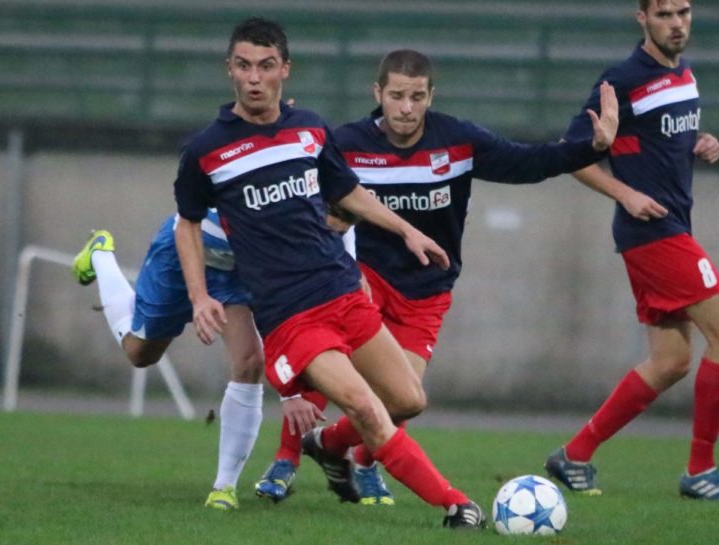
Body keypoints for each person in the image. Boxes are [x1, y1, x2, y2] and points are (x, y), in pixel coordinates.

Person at [255, 47, 620, 506]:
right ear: (378, 94)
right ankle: (285, 462)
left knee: (405, 400)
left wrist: (593, 147)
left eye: (416, 96)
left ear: (431, 96)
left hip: (427, 288)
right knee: (322, 365)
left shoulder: (458, 141)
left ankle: (335, 448)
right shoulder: (348, 144)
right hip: (362, 279)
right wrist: (277, 130)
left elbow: (528, 163)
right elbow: (293, 175)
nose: (406, 108)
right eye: (396, 96)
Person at [172, 17, 485, 529]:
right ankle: (456, 505)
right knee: (363, 403)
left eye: (266, 66)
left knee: (409, 399)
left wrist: (406, 230)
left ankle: (322, 445)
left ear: (285, 71)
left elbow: (348, 192)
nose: (255, 78)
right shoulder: (207, 150)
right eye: (244, 66)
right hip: (293, 317)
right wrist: (200, 296)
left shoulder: (309, 129)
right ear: (229, 69)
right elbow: (187, 224)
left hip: (342, 289)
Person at [543, 0, 719, 504]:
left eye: (683, 11)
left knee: (671, 361)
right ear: (642, 18)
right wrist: (625, 193)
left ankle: (574, 455)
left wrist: (702, 143)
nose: (677, 22)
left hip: (672, 228)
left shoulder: (684, 74)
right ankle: (700, 470)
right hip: (653, 234)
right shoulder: (621, 79)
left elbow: (663, 142)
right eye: (664, 14)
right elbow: (569, 153)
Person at [70, 210, 323, 511]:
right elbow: (188, 213)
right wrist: (199, 297)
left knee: (250, 360)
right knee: (139, 353)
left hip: (232, 269)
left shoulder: (300, 192)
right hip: (182, 254)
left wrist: (290, 391)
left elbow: (279, 310)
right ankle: (100, 253)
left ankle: (223, 488)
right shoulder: (213, 165)